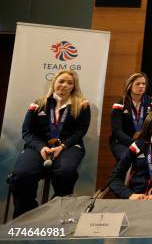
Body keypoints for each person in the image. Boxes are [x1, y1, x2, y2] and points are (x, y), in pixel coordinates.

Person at [10, 71, 91, 218]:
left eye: (69, 83)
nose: (65, 85)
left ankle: (55, 215)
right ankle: (26, 215)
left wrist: (62, 146)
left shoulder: (82, 105)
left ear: (74, 86)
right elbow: (27, 132)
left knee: (66, 173)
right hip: (38, 147)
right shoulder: (38, 104)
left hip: (69, 146)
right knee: (21, 175)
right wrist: (41, 148)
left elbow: (81, 131)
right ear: (54, 82)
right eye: (61, 81)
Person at [109, 72, 152, 161]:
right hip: (123, 142)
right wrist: (134, 144)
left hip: (145, 141)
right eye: (138, 84)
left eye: (143, 84)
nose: (141, 86)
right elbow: (117, 131)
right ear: (130, 86)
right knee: (126, 158)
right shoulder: (119, 105)